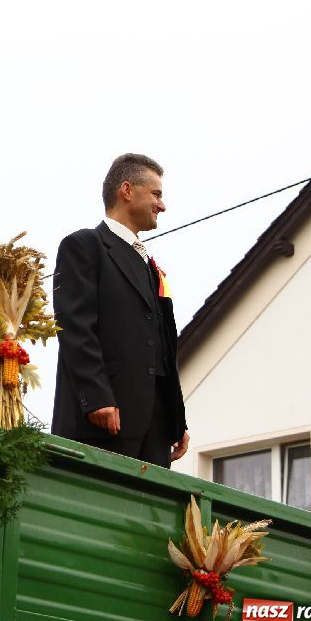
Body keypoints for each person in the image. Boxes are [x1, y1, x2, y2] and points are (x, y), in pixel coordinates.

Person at [51, 153, 189, 468]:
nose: (162, 205)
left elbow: (164, 349)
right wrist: (97, 396)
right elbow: (75, 327)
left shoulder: (152, 269)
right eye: (156, 194)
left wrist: (176, 417)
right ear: (126, 191)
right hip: (102, 422)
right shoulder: (85, 246)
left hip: (153, 432)